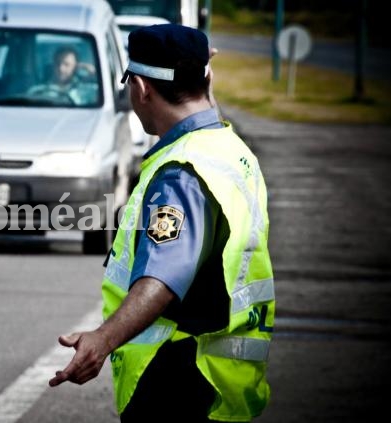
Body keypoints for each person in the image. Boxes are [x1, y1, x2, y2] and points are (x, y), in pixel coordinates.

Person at [48, 24, 275, 423]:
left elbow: (163, 279)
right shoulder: (226, 146)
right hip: (217, 378)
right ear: (204, 79)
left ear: (140, 87)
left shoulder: (180, 174)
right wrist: (200, 69)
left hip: (175, 381)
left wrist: (101, 341)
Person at [29, 46, 96, 105]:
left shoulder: (87, 90)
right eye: (58, 63)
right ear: (53, 65)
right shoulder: (37, 92)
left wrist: (92, 72)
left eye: (66, 65)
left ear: (75, 67)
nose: (61, 68)